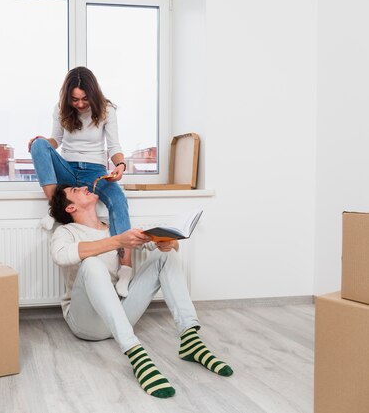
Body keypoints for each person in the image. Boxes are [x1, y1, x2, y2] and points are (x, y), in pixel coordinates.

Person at [48, 184, 233, 399]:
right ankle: (136, 353)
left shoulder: (116, 227)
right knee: (91, 264)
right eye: (75, 190)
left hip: (120, 314)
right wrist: (118, 241)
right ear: (70, 208)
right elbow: (60, 256)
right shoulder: (66, 231)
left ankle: (190, 339)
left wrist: (169, 244)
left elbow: (166, 248)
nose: (83, 187)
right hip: (85, 322)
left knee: (165, 257)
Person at [28, 66, 134, 296]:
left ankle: (126, 269)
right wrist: (43, 144)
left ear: (93, 94)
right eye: (74, 99)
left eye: (85, 99)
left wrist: (120, 165)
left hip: (95, 172)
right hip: (68, 170)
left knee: (119, 200)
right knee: (38, 144)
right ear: (68, 97)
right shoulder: (60, 109)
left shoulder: (107, 110)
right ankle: (55, 208)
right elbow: (55, 140)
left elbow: (114, 146)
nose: (80, 104)